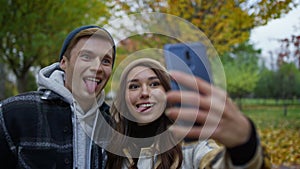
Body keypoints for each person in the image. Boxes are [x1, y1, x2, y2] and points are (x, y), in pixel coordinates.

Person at [106, 58, 270, 169]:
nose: (144, 92)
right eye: (134, 86)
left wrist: (243, 148)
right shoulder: (111, 149)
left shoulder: (190, 146)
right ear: (123, 99)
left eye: (154, 84)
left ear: (167, 92)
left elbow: (215, 161)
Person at [0, 25, 116, 169]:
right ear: (63, 63)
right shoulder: (13, 113)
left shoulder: (112, 126)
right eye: (86, 56)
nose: (97, 68)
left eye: (106, 61)